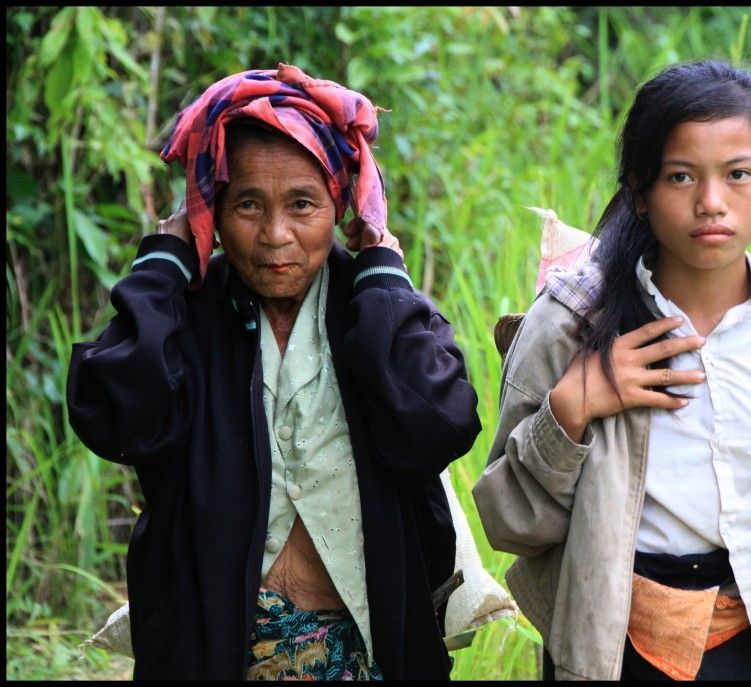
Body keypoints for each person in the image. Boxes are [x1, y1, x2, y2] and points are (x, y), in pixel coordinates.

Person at [472, 60, 751, 680]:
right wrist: (570, 410)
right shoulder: (572, 326)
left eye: (738, 175)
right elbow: (511, 526)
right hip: (609, 650)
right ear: (640, 192)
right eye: (680, 177)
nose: (711, 203)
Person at [66, 63, 482, 680]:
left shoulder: (372, 308)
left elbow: (439, 427)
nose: (275, 235)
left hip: (370, 649)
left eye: (303, 204)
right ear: (212, 210)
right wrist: (164, 262)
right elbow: (118, 417)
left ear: (339, 204)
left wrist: (385, 273)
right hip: (211, 650)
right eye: (247, 205)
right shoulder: (192, 317)